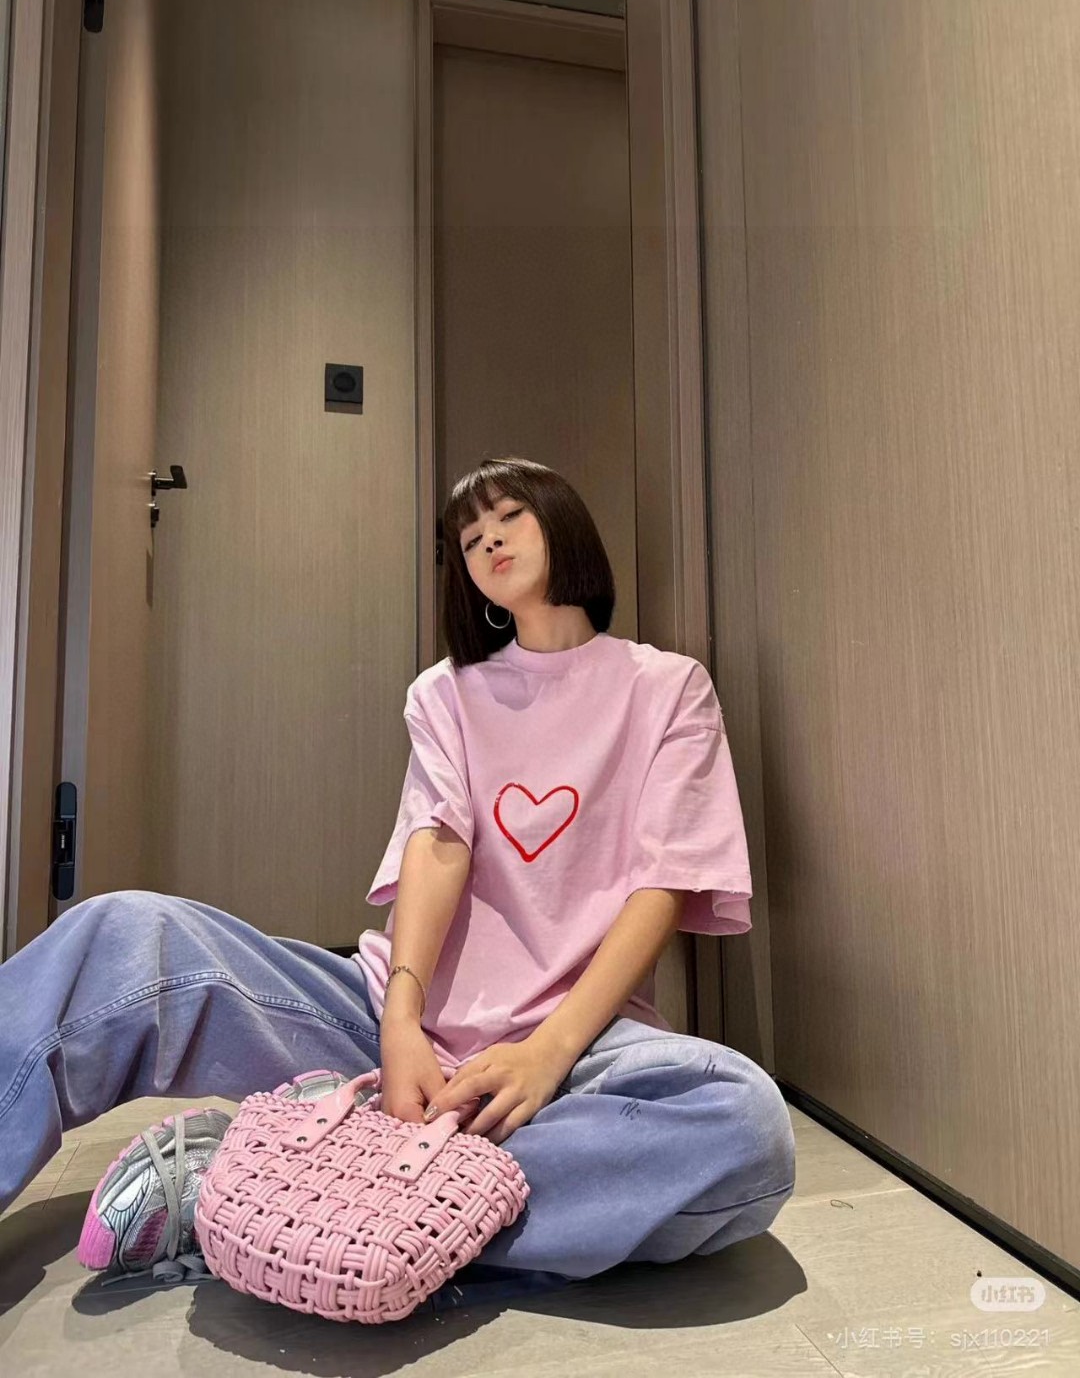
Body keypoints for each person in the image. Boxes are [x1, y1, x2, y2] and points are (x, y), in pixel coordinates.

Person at [0, 456, 795, 1291]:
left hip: (575, 1048)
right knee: (125, 934)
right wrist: (401, 1022)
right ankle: (377, 1191)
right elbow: (438, 843)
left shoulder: (668, 688)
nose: (489, 543)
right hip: (387, 1027)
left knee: (741, 1125)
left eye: (510, 518)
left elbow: (662, 886)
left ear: (564, 523)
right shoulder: (446, 694)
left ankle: (277, 1189)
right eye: (470, 540)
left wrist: (547, 1052)